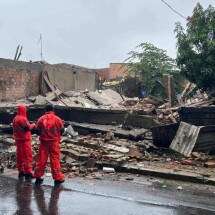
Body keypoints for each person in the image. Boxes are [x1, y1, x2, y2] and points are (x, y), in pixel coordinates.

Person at [34, 105, 65, 186]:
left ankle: (38, 176)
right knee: (55, 160)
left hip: (44, 143)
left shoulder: (41, 119)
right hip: (54, 143)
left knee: (41, 160)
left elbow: (37, 130)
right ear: (53, 110)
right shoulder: (57, 119)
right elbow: (62, 130)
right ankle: (57, 178)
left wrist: (43, 135)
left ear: (45, 110)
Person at [13, 105, 35, 180]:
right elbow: (28, 128)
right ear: (23, 110)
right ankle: (28, 172)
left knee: (20, 157)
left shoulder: (15, 118)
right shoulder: (23, 118)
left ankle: (21, 171)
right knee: (27, 156)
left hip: (18, 140)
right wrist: (33, 124)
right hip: (25, 140)